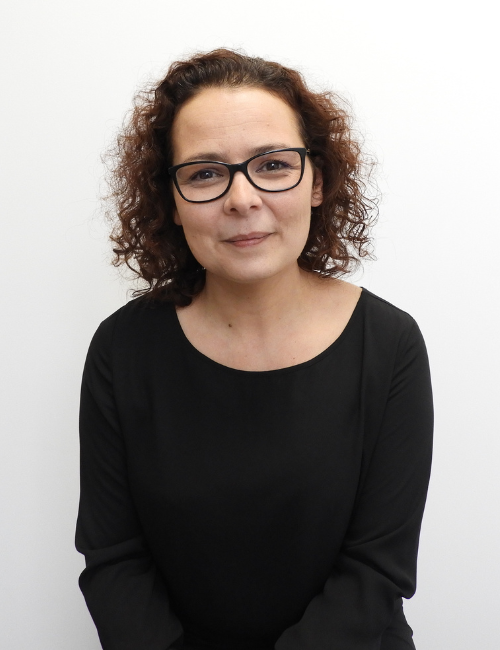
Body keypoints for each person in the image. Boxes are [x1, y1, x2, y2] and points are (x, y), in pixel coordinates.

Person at [76, 49, 433, 650]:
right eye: (205, 173)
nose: (242, 199)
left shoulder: (390, 344)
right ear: (171, 201)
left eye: (272, 165)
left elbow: (377, 572)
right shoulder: (122, 348)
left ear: (317, 182)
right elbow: (114, 561)